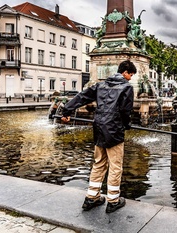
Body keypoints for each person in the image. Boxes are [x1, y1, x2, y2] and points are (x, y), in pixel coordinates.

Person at [60, 60, 137, 213]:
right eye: (131, 75)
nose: (131, 78)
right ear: (125, 72)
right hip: (114, 130)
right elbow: (125, 112)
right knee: (115, 166)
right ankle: (113, 200)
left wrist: (66, 110)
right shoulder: (126, 87)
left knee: (98, 163)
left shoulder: (101, 85)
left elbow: (82, 96)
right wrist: (127, 126)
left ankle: (91, 197)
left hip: (99, 127)